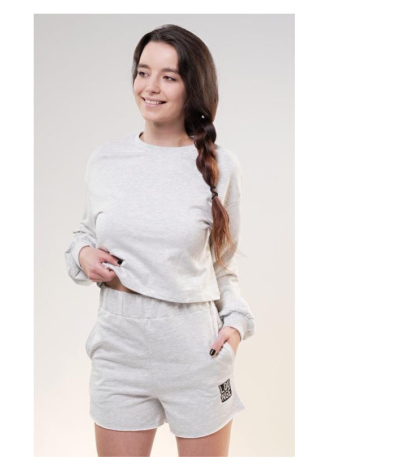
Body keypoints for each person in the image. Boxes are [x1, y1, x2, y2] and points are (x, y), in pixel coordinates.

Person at [64, 24, 256, 457]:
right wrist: (84, 253)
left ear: (194, 86)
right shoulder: (105, 160)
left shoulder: (222, 166)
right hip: (118, 348)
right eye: (143, 72)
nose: (150, 87)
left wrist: (236, 325)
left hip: (195, 351)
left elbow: (224, 266)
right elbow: (83, 235)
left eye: (168, 76)